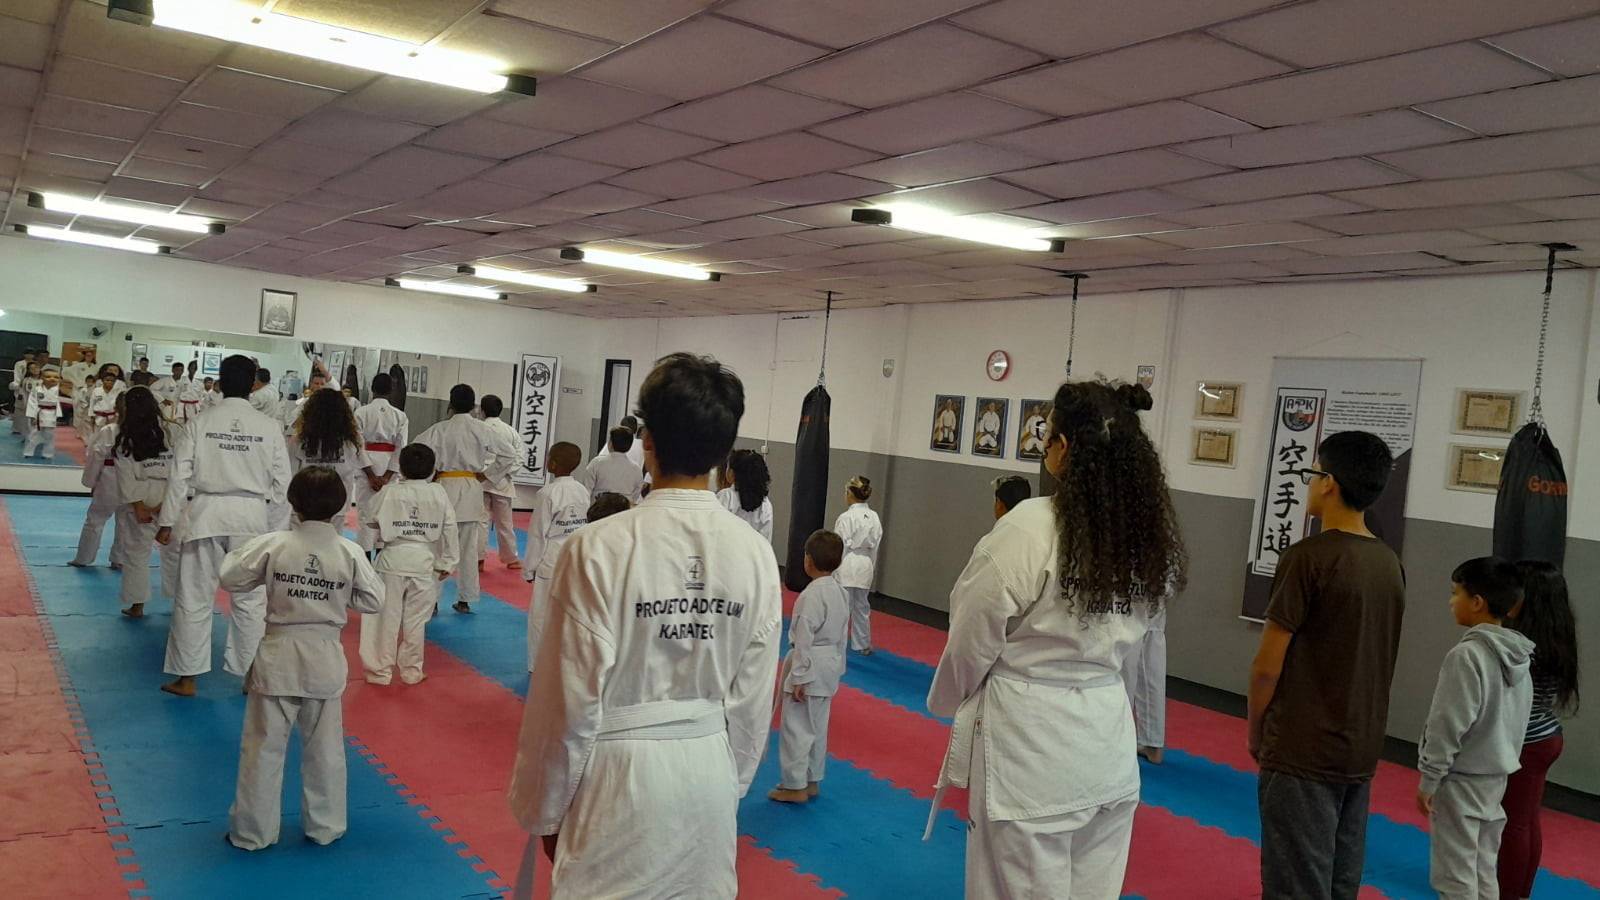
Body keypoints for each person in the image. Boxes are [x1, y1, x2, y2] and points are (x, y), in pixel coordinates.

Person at [506, 353, 781, 900]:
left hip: (617, 776)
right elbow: (753, 702)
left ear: (647, 440)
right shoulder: (754, 554)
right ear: (723, 452)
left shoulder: (596, 546)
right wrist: (729, 786)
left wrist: (546, 811)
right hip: (709, 768)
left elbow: (565, 699)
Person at [928, 381, 1183, 900]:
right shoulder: (1146, 537)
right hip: (1107, 744)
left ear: (1063, 448)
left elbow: (972, 633)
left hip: (1031, 747)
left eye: (1047, 437)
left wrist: (948, 700)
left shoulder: (1030, 526)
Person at [1247, 430, 1405, 900]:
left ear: (1329, 483)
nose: (1310, 483)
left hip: (1303, 746)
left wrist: (1257, 730)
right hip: (1359, 745)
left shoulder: (1307, 557)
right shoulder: (1388, 562)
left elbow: (1267, 667)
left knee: (1295, 881)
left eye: (1312, 473)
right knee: (1340, 880)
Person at [219, 466, 383, 850]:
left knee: (262, 749)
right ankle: (325, 827)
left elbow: (230, 578)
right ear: (340, 506)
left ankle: (252, 833)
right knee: (325, 751)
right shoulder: (349, 551)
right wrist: (338, 596)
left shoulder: (274, 544)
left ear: (293, 502)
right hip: (324, 657)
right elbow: (375, 600)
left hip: (278, 656)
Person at [155, 354, 292, 697]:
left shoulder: (201, 421)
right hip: (252, 518)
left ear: (220, 380)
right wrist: (275, 531)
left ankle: (187, 677)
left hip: (206, 514)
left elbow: (178, 476)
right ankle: (251, 676)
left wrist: (167, 520)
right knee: (250, 600)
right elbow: (283, 486)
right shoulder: (269, 427)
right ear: (252, 384)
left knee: (194, 596)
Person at [1418, 558, 1535, 900]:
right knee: (1483, 868)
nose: (1451, 601)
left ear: (1477, 602)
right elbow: (1518, 721)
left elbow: (1447, 724)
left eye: (1456, 593)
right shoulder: (1519, 658)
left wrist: (1430, 777)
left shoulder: (1466, 656)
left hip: (1462, 779)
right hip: (1496, 778)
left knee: (1455, 875)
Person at [1499, 560, 1581, 900]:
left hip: (1528, 741)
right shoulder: (1555, 636)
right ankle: (1520, 891)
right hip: (1545, 736)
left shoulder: (1524, 645)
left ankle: (1508, 893)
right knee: (1527, 819)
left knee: (1514, 823)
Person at [359, 443, 459, 686]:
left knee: (385, 619)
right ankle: (412, 671)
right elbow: (449, 527)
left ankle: (380, 672)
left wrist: (392, 523)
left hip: (392, 560)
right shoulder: (438, 493)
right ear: (432, 470)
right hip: (424, 562)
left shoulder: (389, 492)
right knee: (416, 621)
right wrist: (448, 561)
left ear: (401, 469)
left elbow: (369, 519)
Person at [415, 384, 511, 614]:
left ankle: (432, 601)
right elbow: (508, 453)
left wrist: (430, 474)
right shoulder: (481, 428)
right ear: (474, 406)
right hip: (470, 486)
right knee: (468, 548)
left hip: (444, 487)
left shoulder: (439, 429)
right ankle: (465, 600)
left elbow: (416, 450)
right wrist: (486, 475)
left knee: (438, 547)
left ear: (450, 403)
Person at [769, 530, 848, 804]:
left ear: (808, 561)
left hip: (810, 665)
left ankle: (794, 785)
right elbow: (842, 635)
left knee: (796, 728)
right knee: (817, 727)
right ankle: (812, 780)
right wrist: (839, 667)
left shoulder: (811, 595)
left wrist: (799, 675)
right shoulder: (840, 592)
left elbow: (803, 638)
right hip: (829, 664)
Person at [519, 442, 588, 674]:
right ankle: (567, 661)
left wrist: (529, 568)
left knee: (540, 614)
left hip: (551, 558)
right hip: (575, 556)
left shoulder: (547, 493)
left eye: (549, 458)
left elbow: (538, 534)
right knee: (569, 612)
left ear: (555, 464)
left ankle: (537, 664)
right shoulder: (582, 491)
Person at [113, 387, 180, 618]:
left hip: (141, 491)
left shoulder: (125, 435)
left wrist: (138, 505)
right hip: (172, 491)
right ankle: (181, 602)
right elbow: (184, 467)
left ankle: (137, 604)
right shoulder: (174, 430)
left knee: (136, 553)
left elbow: (124, 473)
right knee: (175, 551)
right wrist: (170, 502)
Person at [69, 393, 129, 570]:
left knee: (96, 519)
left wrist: (91, 482)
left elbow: (96, 457)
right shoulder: (146, 432)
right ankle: (119, 559)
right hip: (134, 481)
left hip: (110, 479)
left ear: (116, 409)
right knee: (126, 521)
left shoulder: (109, 430)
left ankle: (84, 558)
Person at [352, 374, 409, 554]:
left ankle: (365, 557)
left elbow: (356, 444)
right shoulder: (400, 416)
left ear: (372, 389)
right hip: (388, 465)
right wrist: (386, 476)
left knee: (366, 515)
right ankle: (381, 558)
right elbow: (401, 447)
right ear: (391, 391)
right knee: (386, 515)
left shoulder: (361, 413)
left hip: (366, 466)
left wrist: (370, 475)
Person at [835, 476, 883, 655]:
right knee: (862, 607)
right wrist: (872, 567)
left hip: (847, 562)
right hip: (865, 563)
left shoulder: (846, 517)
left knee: (842, 607)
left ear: (850, 493)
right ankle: (862, 644)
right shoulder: (874, 517)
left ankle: (836, 642)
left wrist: (834, 569)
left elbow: (840, 545)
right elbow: (876, 546)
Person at [478, 394, 525, 572]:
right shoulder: (510, 431)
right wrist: (502, 473)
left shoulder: (477, 429)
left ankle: (478, 559)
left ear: (481, 410)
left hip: (479, 479)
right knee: (505, 522)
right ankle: (511, 558)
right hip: (503, 481)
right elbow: (518, 457)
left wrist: (484, 473)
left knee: (480, 521)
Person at [717, 449, 774, 542]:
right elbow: (766, 539)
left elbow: (715, 530)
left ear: (731, 473)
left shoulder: (726, 496)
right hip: (755, 550)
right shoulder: (765, 504)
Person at [579, 426, 645, 502]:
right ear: (629, 446)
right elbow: (636, 494)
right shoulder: (636, 469)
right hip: (623, 507)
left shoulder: (597, 463)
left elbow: (586, 490)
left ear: (610, 443)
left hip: (598, 506)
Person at [21, 365, 63, 459]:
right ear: (42, 378)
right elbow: (32, 402)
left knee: (50, 435)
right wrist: (32, 416)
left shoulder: (57, 390)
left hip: (51, 414)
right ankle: (28, 452)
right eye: (48, 376)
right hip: (39, 413)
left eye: (56, 377)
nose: (52, 379)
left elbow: (58, 404)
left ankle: (47, 454)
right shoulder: (37, 389)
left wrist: (58, 416)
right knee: (34, 433)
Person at [89, 364, 126, 432]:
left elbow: (120, 404)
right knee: (97, 435)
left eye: (112, 381)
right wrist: (92, 416)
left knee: (111, 435)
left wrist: (119, 415)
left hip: (113, 417)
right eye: (107, 380)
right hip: (99, 416)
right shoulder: (97, 389)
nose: (109, 382)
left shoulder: (119, 388)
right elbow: (92, 404)